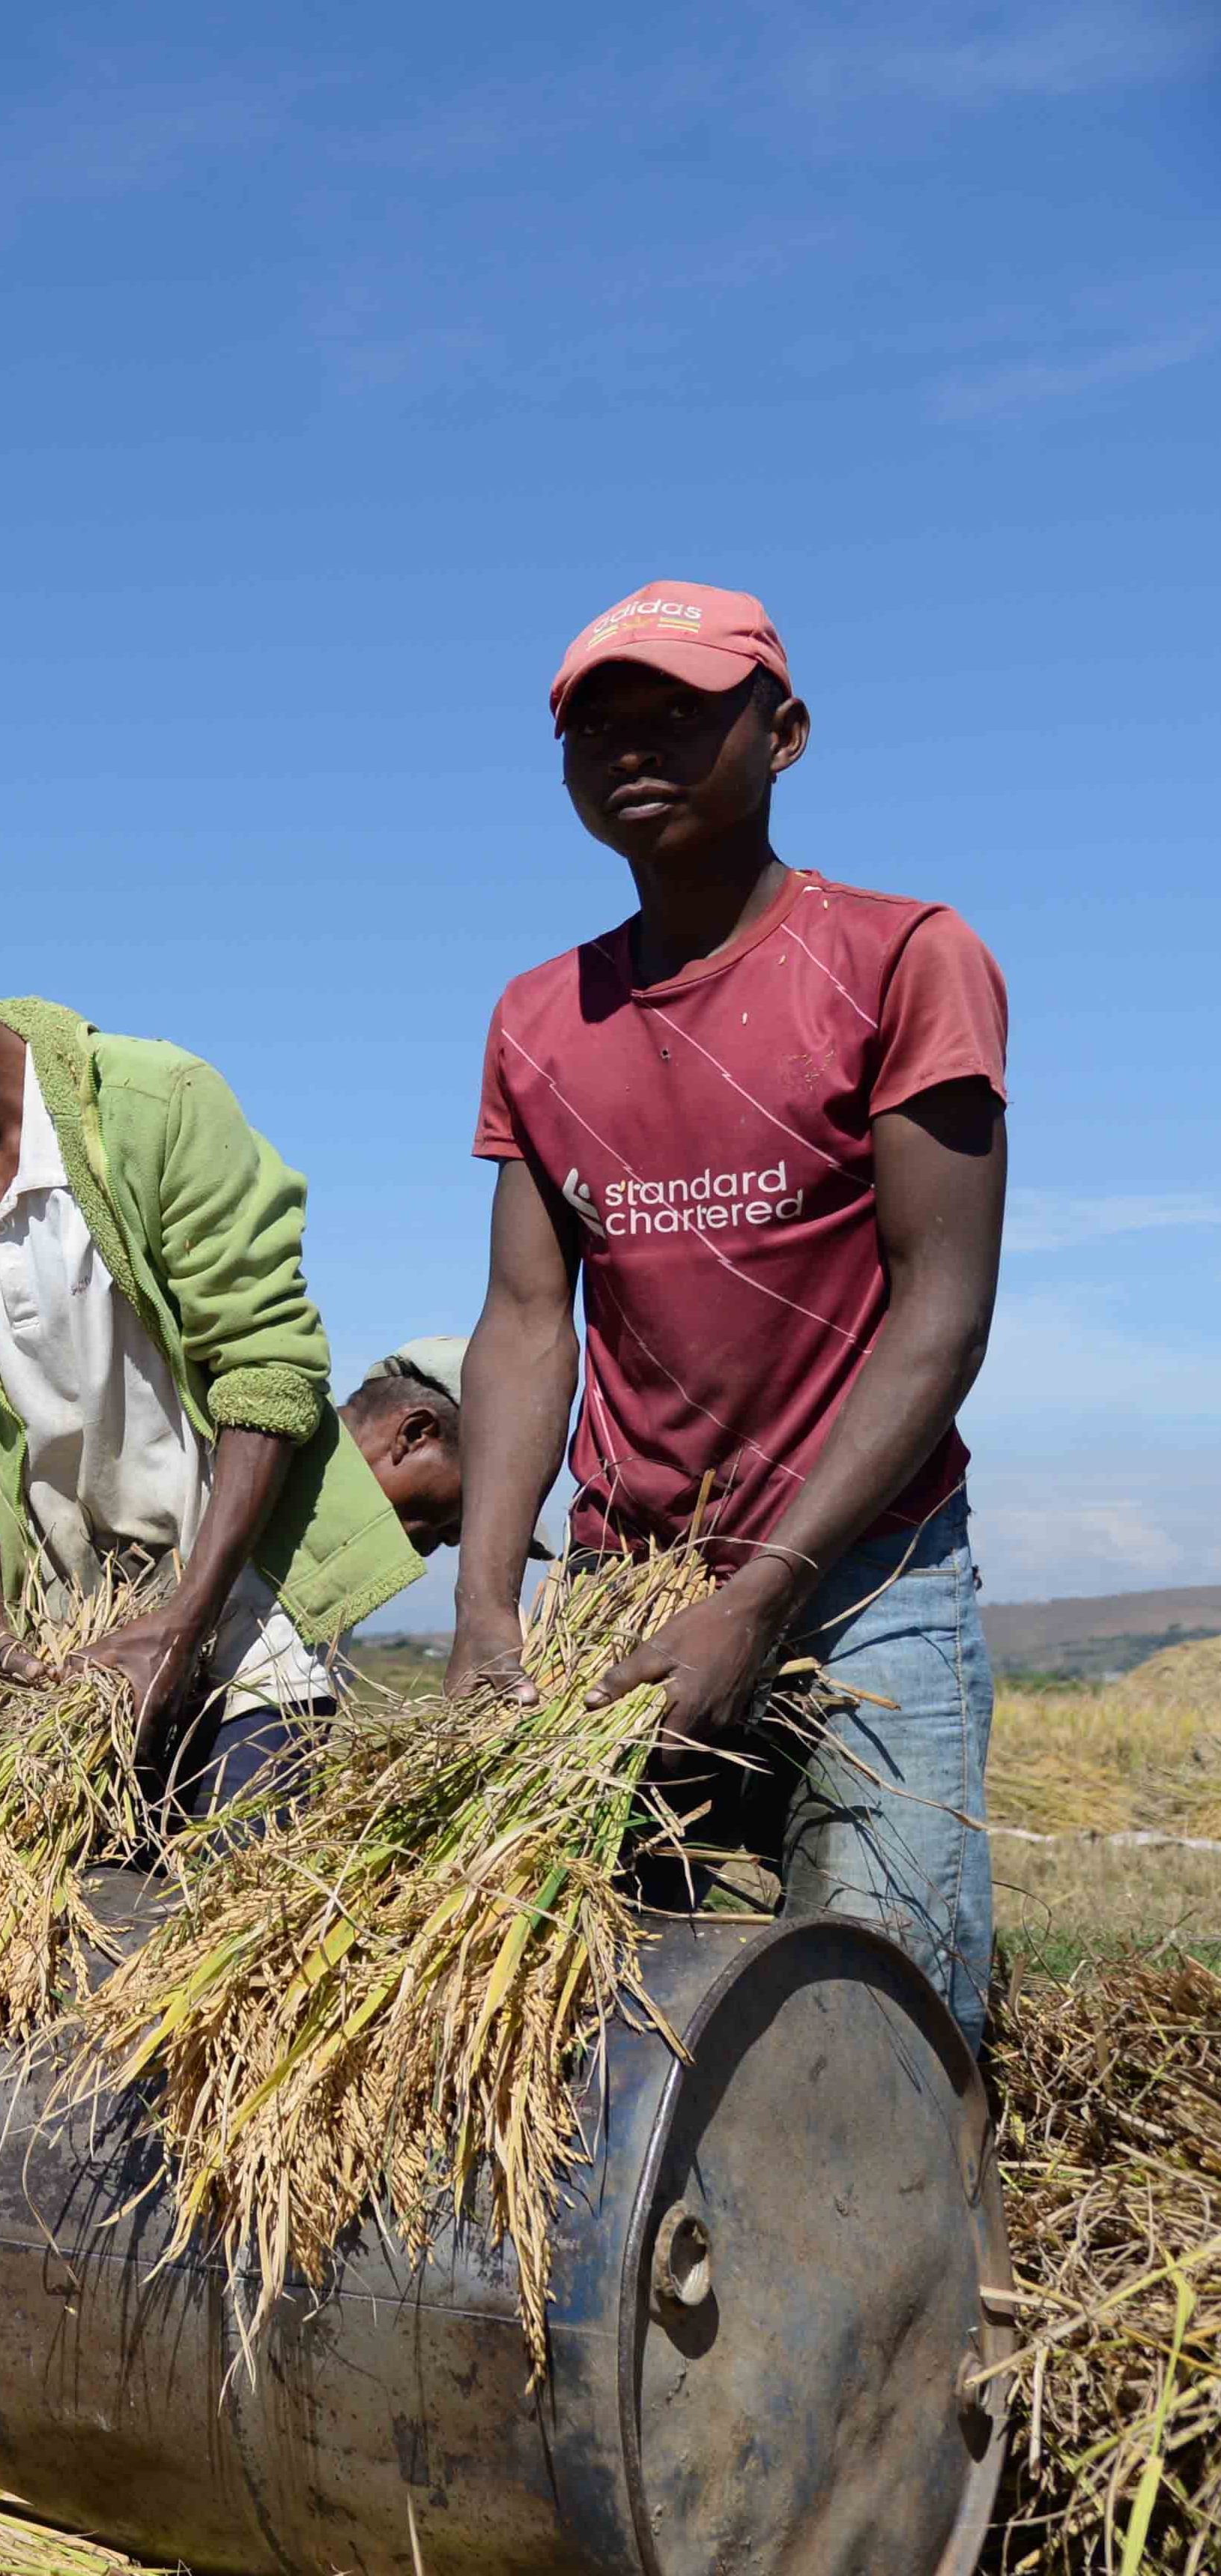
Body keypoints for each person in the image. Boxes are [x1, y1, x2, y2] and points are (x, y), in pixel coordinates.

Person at [451, 582, 1006, 2039]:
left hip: (863, 1577)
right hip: (630, 1589)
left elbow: (940, 1313)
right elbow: (521, 1322)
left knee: (882, 2019)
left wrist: (757, 1597)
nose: (634, 744)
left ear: (785, 734)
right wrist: (481, 1609)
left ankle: (926, 2260)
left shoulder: (902, 958)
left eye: (682, 711)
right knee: (597, 2025)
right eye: (597, 721)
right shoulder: (535, 1017)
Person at [0, 876, 423, 1821]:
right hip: (43, 1596)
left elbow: (266, 1377)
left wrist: (186, 1621)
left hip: (225, 1584)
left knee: (232, 1898)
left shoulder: (156, 1108)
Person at [0, 1334, 498, 1801]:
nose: (437, 1544)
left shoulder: (339, 1570)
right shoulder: (252, 1446)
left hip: (30, 1684)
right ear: (415, 1433)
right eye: (450, 1515)